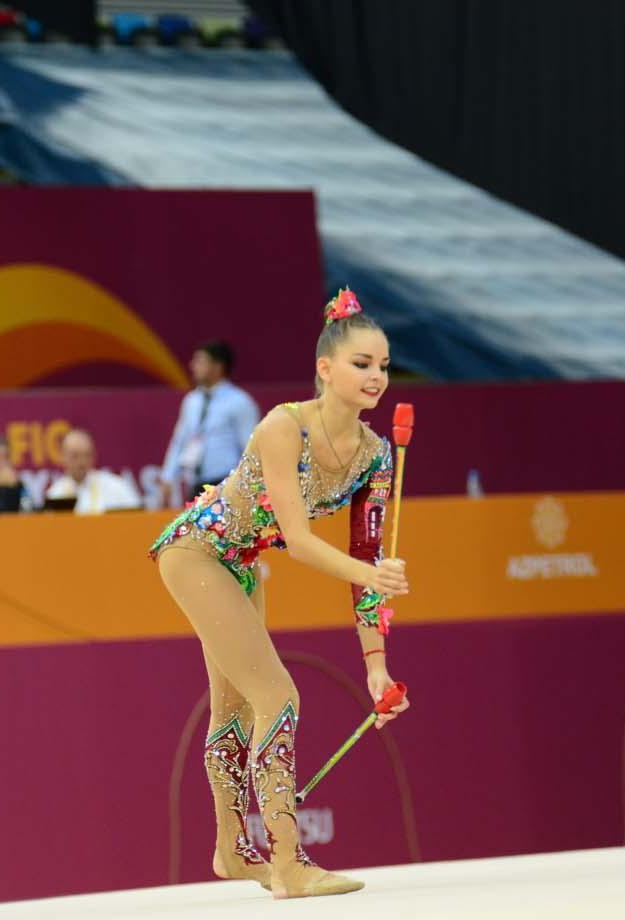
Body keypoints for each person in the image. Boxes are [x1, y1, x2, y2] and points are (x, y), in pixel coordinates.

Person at [147, 289, 411, 899]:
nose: (377, 377)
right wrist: (369, 575)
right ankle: (287, 862)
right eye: (362, 364)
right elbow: (296, 538)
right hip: (196, 550)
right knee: (278, 694)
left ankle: (231, 851)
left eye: (384, 365)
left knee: (237, 706)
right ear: (326, 369)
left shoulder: (376, 457)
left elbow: (367, 559)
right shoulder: (281, 427)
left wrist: (377, 667)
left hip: (239, 564)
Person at [160, 340, 260, 503]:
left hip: (226, 483)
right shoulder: (191, 400)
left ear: (217, 367)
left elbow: (250, 446)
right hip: (196, 483)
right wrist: (168, 476)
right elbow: (180, 440)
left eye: (200, 361)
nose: (193, 366)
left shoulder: (240, 402)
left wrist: (250, 484)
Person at [45, 428, 142, 514]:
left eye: (86, 455)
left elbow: (137, 517)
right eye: (75, 456)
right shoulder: (55, 494)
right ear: (63, 457)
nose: (81, 462)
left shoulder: (116, 487)